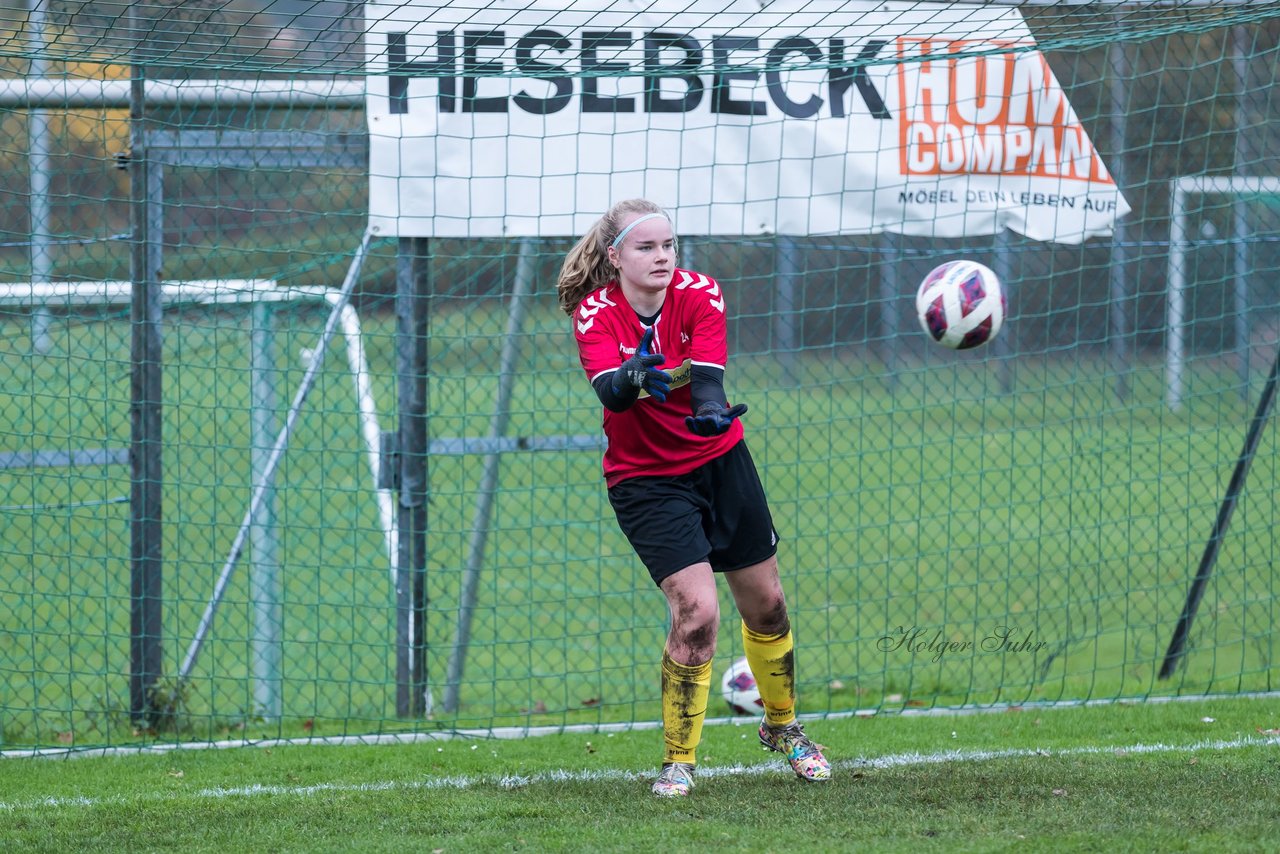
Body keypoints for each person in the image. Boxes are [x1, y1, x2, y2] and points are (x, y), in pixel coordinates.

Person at [556, 198, 831, 797]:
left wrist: (709, 415)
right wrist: (633, 375)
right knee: (699, 613)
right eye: (645, 247)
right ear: (615, 257)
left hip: (720, 462)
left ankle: (783, 727)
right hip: (646, 480)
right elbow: (612, 392)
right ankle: (679, 761)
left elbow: (708, 381)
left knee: (768, 605)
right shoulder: (594, 311)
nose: (662, 257)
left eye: (669, 245)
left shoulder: (701, 292)